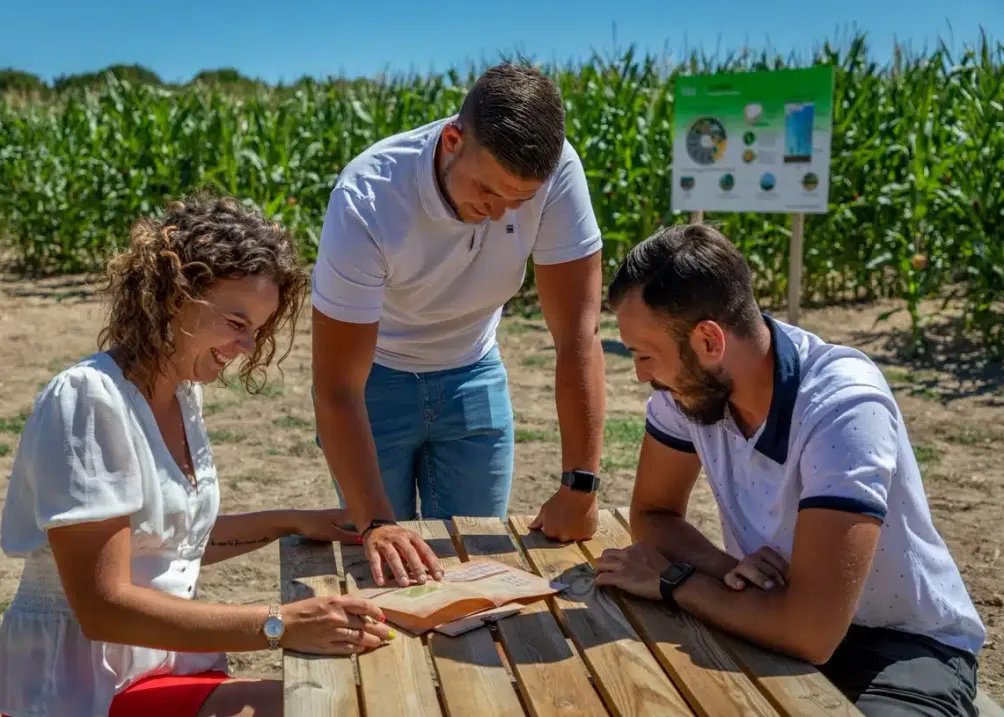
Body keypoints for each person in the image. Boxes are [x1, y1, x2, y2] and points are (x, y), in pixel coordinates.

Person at [0, 194, 395, 717]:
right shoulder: (88, 401)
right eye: (235, 321)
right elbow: (102, 608)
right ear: (173, 295)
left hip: (156, 667)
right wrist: (280, 623)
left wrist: (292, 521)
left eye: (258, 328)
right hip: (83, 691)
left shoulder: (180, 390)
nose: (247, 346)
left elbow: (163, 544)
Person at [592, 223, 985, 716]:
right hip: (772, 616)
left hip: (901, 647)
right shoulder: (687, 391)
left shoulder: (842, 406)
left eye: (645, 355)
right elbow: (653, 514)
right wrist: (727, 572)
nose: (642, 374)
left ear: (709, 341)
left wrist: (677, 583)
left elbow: (811, 634)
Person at [309, 61, 607, 588]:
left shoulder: (558, 172)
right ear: (452, 140)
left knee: (471, 576)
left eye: (519, 200)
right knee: (386, 575)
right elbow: (336, 387)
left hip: (474, 373)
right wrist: (377, 524)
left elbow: (578, 337)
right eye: (487, 191)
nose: (499, 214)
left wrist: (580, 486)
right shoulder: (367, 199)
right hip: (375, 383)